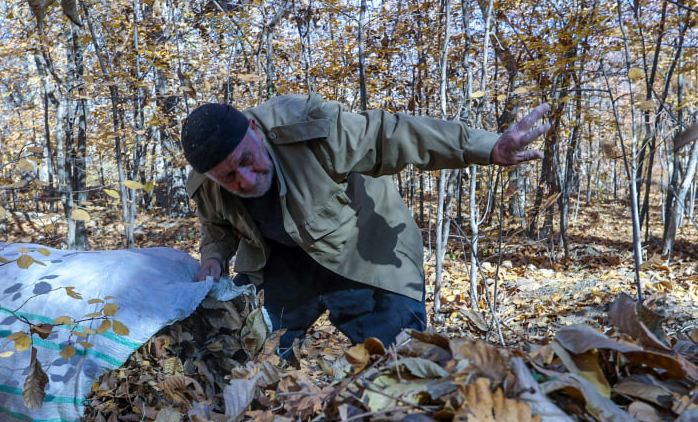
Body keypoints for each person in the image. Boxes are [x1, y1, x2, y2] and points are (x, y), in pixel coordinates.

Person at [181, 93, 549, 359]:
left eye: (247, 160)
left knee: (401, 361)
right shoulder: (204, 183)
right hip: (281, 264)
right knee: (245, 358)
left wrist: (488, 147)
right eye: (228, 176)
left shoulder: (307, 126)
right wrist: (213, 258)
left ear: (254, 130)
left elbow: (394, 135)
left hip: (364, 246)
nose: (245, 180)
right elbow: (216, 226)